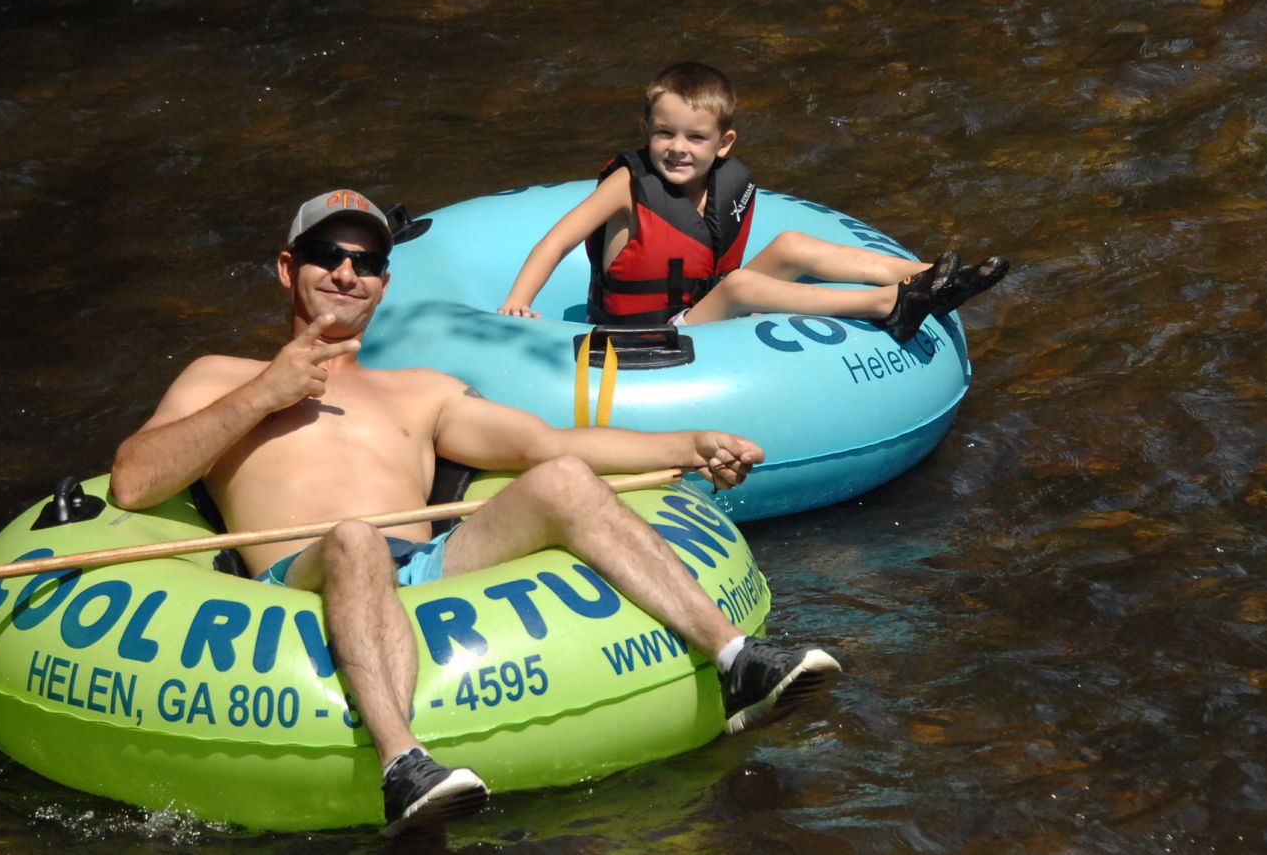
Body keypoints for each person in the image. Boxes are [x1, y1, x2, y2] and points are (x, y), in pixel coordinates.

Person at [109, 189, 841, 836]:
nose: (345, 273)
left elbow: (548, 440)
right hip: (302, 579)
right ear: (286, 267)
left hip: (428, 570)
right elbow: (135, 484)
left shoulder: (418, 391)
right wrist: (266, 391)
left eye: (364, 263)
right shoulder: (220, 377)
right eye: (326, 255)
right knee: (355, 538)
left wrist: (690, 440)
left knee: (562, 476)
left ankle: (737, 659)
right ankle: (403, 765)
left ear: (382, 284)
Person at [497, 61, 1008, 340]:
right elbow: (556, 240)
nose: (678, 148)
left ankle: (930, 277)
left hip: (696, 307)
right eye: (664, 134)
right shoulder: (627, 187)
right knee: (741, 284)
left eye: (695, 138)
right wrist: (518, 300)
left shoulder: (725, 184)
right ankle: (886, 306)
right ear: (646, 132)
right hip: (644, 335)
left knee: (788, 244)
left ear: (724, 144)